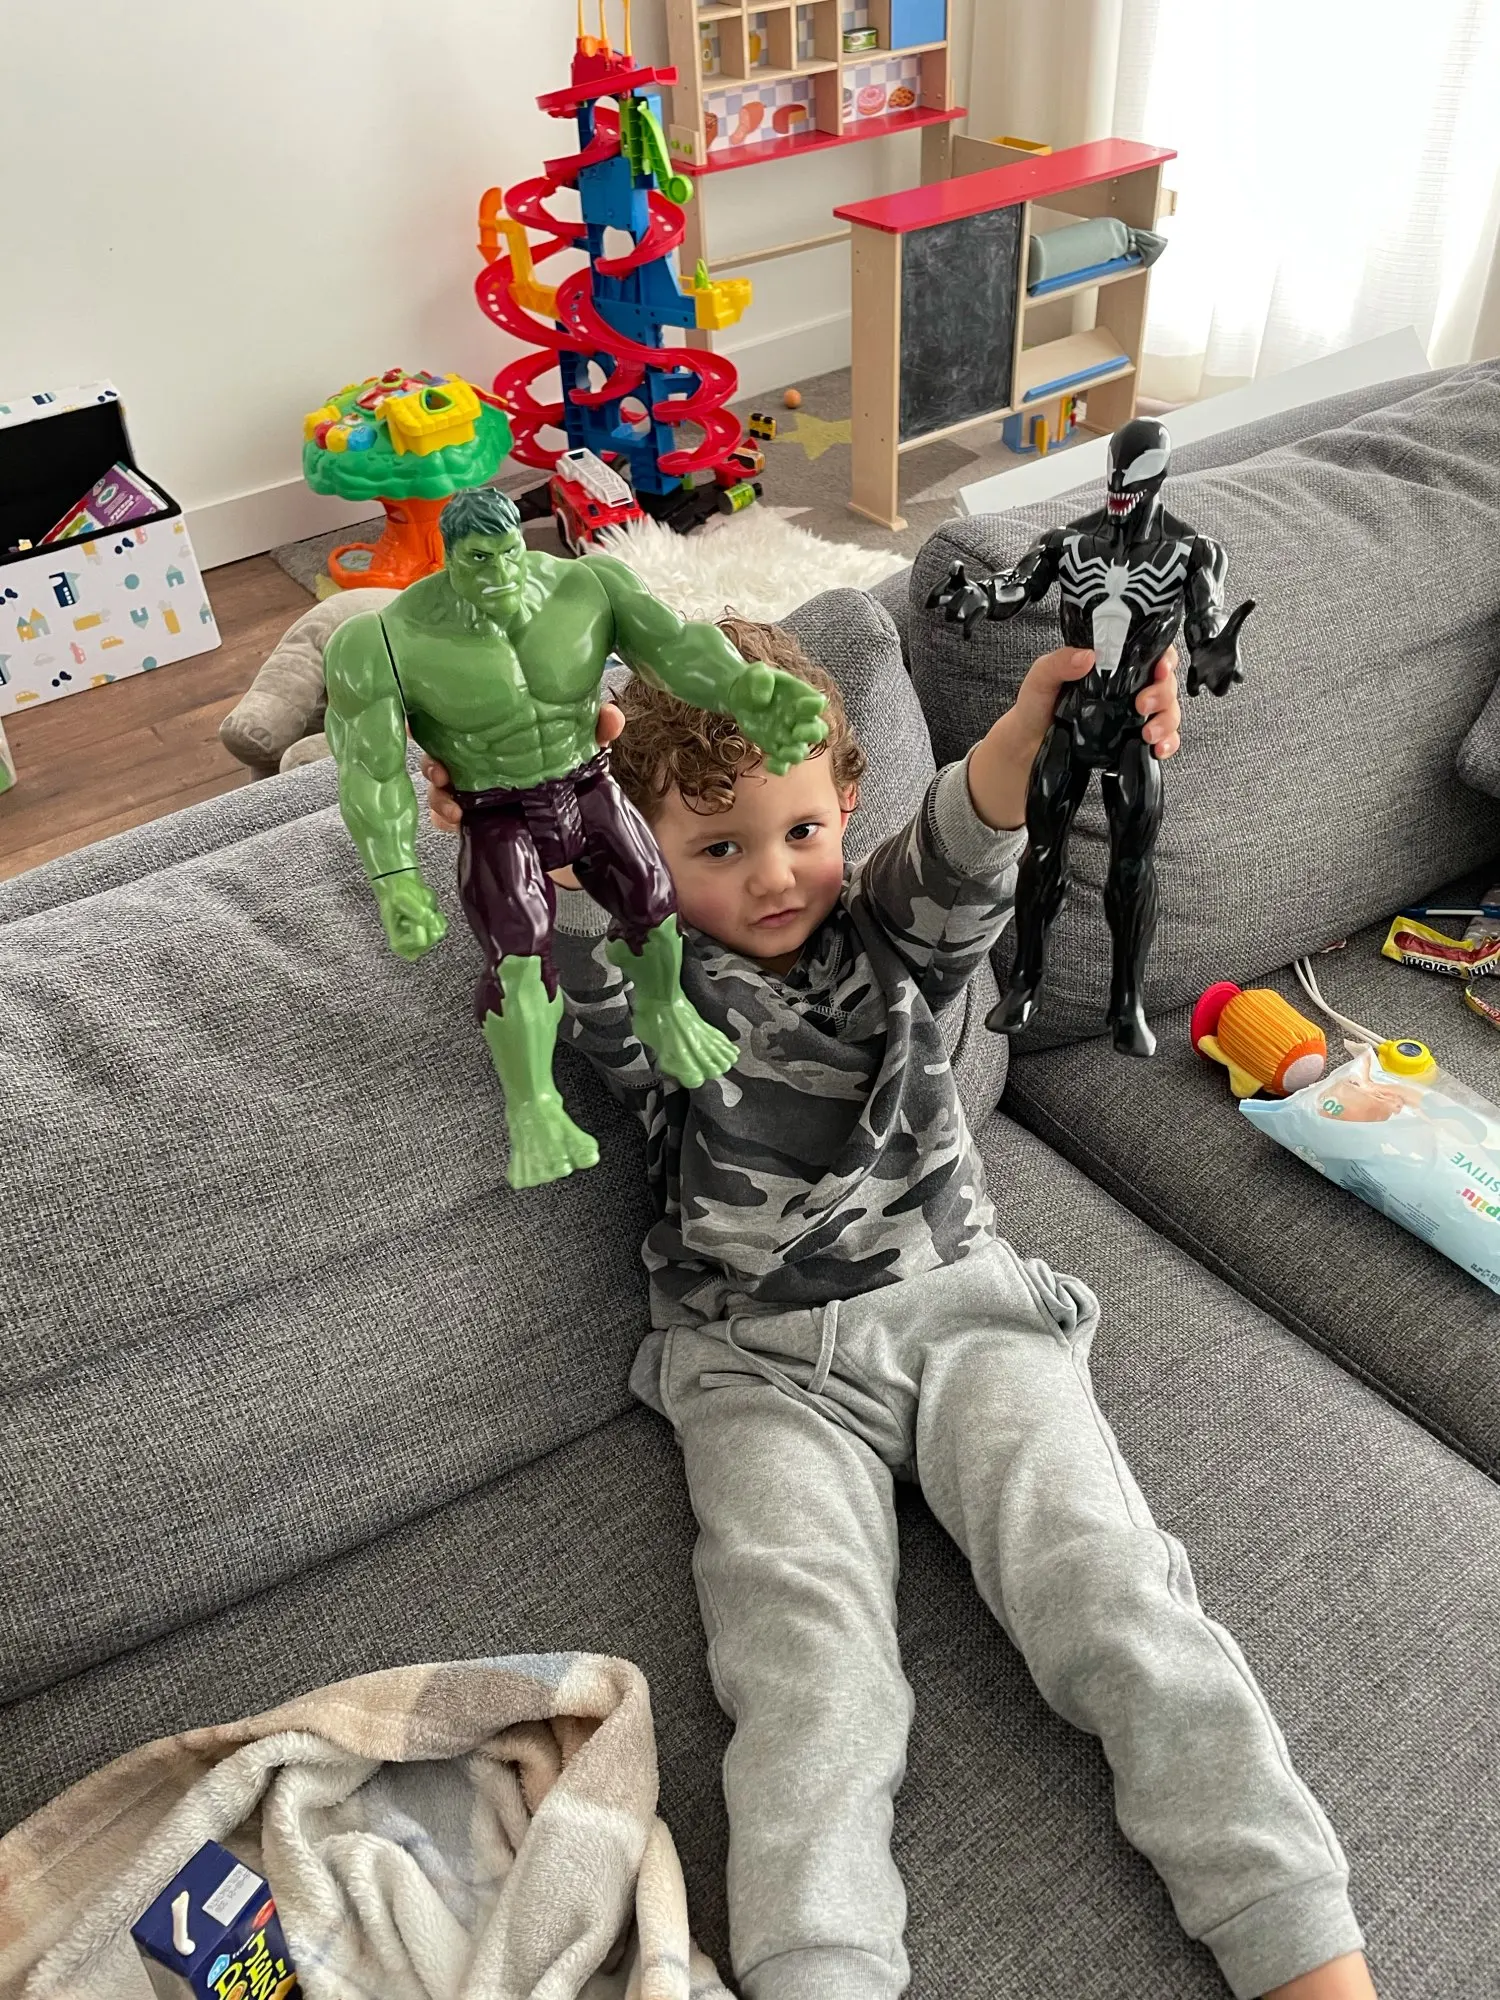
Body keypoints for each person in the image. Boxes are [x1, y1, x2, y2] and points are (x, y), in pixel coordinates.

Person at [423, 615, 1376, 2000]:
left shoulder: (893, 931)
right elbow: (561, 936)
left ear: (847, 804)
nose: (774, 876)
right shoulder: (652, 982)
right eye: (718, 849)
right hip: (757, 1370)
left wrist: (1053, 719)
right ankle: (822, 1970)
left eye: (802, 831)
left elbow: (976, 824)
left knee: (1113, 1596)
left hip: (961, 1317)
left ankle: (1300, 1945)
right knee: (809, 1681)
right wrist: (523, 816)